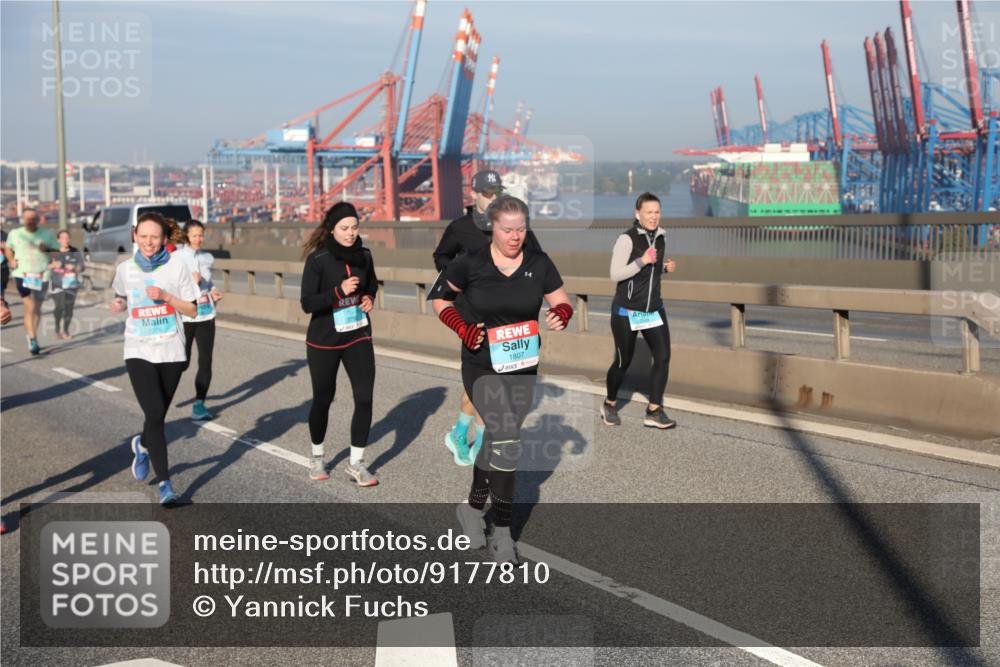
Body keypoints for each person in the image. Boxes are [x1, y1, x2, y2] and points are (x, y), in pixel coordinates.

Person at [432, 195, 572, 564]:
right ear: (492, 227)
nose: (515, 236)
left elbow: (561, 299)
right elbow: (440, 300)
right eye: (508, 229)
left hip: (522, 366)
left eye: (521, 229)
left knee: (497, 440)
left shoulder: (539, 263)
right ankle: (504, 535)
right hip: (481, 364)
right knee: (507, 441)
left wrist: (562, 313)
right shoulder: (470, 263)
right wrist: (462, 327)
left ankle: (471, 509)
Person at [431, 169, 543, 466]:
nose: (493, 199)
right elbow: (441, 257)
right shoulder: (460, 228)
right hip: (473, 316)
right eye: (487, 194)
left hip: (509, 319)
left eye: (497, 193)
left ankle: (460, 433)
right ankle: (481, 444)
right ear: (474, 194)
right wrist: (463, 276)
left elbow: (536, 259)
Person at [110, 212, 199, 505]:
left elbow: (193, 310)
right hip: (138, 349)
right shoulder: (125, 269)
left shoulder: (177, 266)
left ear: (164, 238)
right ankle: (165, 484)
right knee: (156, 412)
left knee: (156, 416)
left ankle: (143, 445)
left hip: (171, 350)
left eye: (155, 237)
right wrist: (118, 303)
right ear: (135, 236)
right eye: (144, 236)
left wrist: (167, 297)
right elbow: (121, 295)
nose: (149, 242)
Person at [300, 202, 379, 487]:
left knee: (365, 397)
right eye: (344, 228)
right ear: (331, 229)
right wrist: (337, 292)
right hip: (324, 341)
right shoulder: (318, 260)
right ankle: (317, 456)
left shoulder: (365, 256)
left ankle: (357, 463)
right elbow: (307, 303)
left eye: (354, 227)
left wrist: (369, 297)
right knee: (323, 399)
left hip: (358, 335)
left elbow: (372, 284)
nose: (350, 233)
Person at [602, 192, 677, 430]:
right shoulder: (627, 239)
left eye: (657, 212)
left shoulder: (661, 237)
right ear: (638, 214)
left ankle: (654, 410)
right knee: (623, 361)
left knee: (663, 357)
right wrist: (642, 260)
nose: (653, 217)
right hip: (627, 310)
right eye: (648, 212)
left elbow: (649, 273)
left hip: (653, 308)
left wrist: (663, 268)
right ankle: (610, 403)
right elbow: (615, 274)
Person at [176, 220, 221, 421]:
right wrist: (190, 281)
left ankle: (199, 405)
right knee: (182, 361)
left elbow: (208, 283)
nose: (198, 239)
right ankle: (161, 389)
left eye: (201, 235)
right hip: (185, 315)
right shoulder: (177, 258)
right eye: (194, 235)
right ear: (186, 235)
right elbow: (170, 285)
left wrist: (213, 291)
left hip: (206, 314)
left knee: (206, 360)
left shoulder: (207, 258)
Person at [4, 208, 58, 354]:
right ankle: (33, 338)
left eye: (34, 219)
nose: (31, 221)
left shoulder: (47, 234)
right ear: (23, 219)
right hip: (23, 274)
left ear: (38, 220)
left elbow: (57, 253)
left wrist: (46, 249)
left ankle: (31, 335)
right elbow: (8, 248)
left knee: (37, 308)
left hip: (42, 275)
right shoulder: (15, 233)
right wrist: (11, 260)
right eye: (28, 219)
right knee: (30, 305)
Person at [48, 230, 85, 340]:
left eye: (67, 238)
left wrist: (75, 267)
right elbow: (45, 265)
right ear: (58, 240)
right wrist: (54, 265)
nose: (66, 240)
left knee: (69, 308)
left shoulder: (75, 251)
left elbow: (82, 267)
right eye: (63, 238)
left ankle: (65, 331)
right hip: (57, 284)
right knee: (60, 306)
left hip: (71, 284)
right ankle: (57, 328)